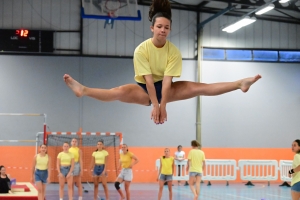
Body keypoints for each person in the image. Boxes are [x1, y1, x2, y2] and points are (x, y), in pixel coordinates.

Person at [63, 0, 262, 125]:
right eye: (159, 26)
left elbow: (166, 82)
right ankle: (84, 90)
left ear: (169, 29)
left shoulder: (173, 51)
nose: (163, 30)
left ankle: (239, 84)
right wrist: (155, 105)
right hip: (144, 89)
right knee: (118, 92)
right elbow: (148, 81)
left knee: (200, 87)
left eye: (166, 27)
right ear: (152, 28)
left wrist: (163, 105)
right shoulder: (142, 49)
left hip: (167, 89)